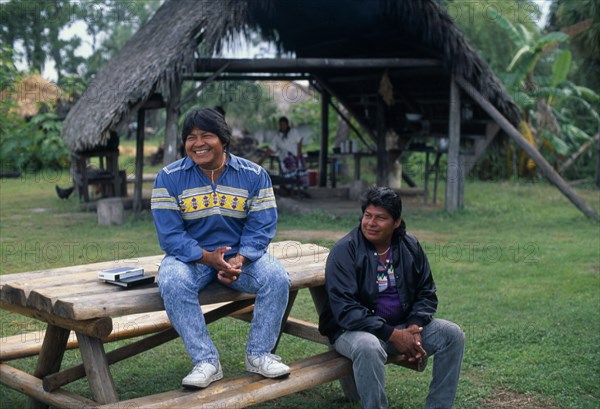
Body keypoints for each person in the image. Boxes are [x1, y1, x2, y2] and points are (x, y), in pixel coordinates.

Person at [151, 108, 292, 389]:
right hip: (191, 259)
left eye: (207, 136)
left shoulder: (254, 175)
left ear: (223, 139)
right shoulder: (168, 177)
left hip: (243, 258)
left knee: (277, 277)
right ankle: (206, 362)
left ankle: (260, 354)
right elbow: (170, 235)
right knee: (171, 280)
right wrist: (207, 258)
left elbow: (262, 224)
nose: (198, 143)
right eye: (191, 137)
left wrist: (239, 258)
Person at [318, 187, 464, 409]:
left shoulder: (410, 246)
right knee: (369, 347)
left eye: (381, 218)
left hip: (403, 327)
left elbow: (426, 293)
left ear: (396, 222)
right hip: (353, 331)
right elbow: (346, 310)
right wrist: (392, 334)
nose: (371, 223)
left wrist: (414, 327)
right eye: (368, 215)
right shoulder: (344, 250)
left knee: (452, 334)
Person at [258, 116, 308, 192]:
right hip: (286, 160)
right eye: (281, 125)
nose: (282, 126)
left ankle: (300, 190)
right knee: (288, 178)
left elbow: (299, 142)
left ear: (287, 124)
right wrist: (260, 162)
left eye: (284, 124)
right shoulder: (278, 137)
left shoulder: (293, 132)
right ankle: (291, 190)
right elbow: (270, 149)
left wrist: (298, 154)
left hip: (296, 157)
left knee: (299, 174)